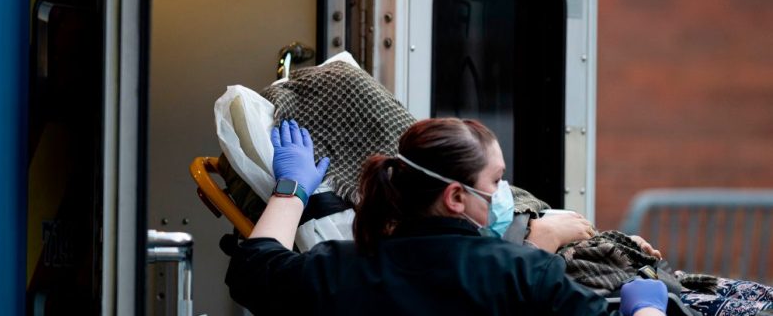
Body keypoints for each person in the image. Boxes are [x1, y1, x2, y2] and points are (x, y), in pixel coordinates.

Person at [222, 118, 669, 315]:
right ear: (456, 197)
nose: (502, 195)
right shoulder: (525, 273)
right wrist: (646, 304)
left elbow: (252, 268)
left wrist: (293, 190)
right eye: (495, 182)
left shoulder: (337, 269)